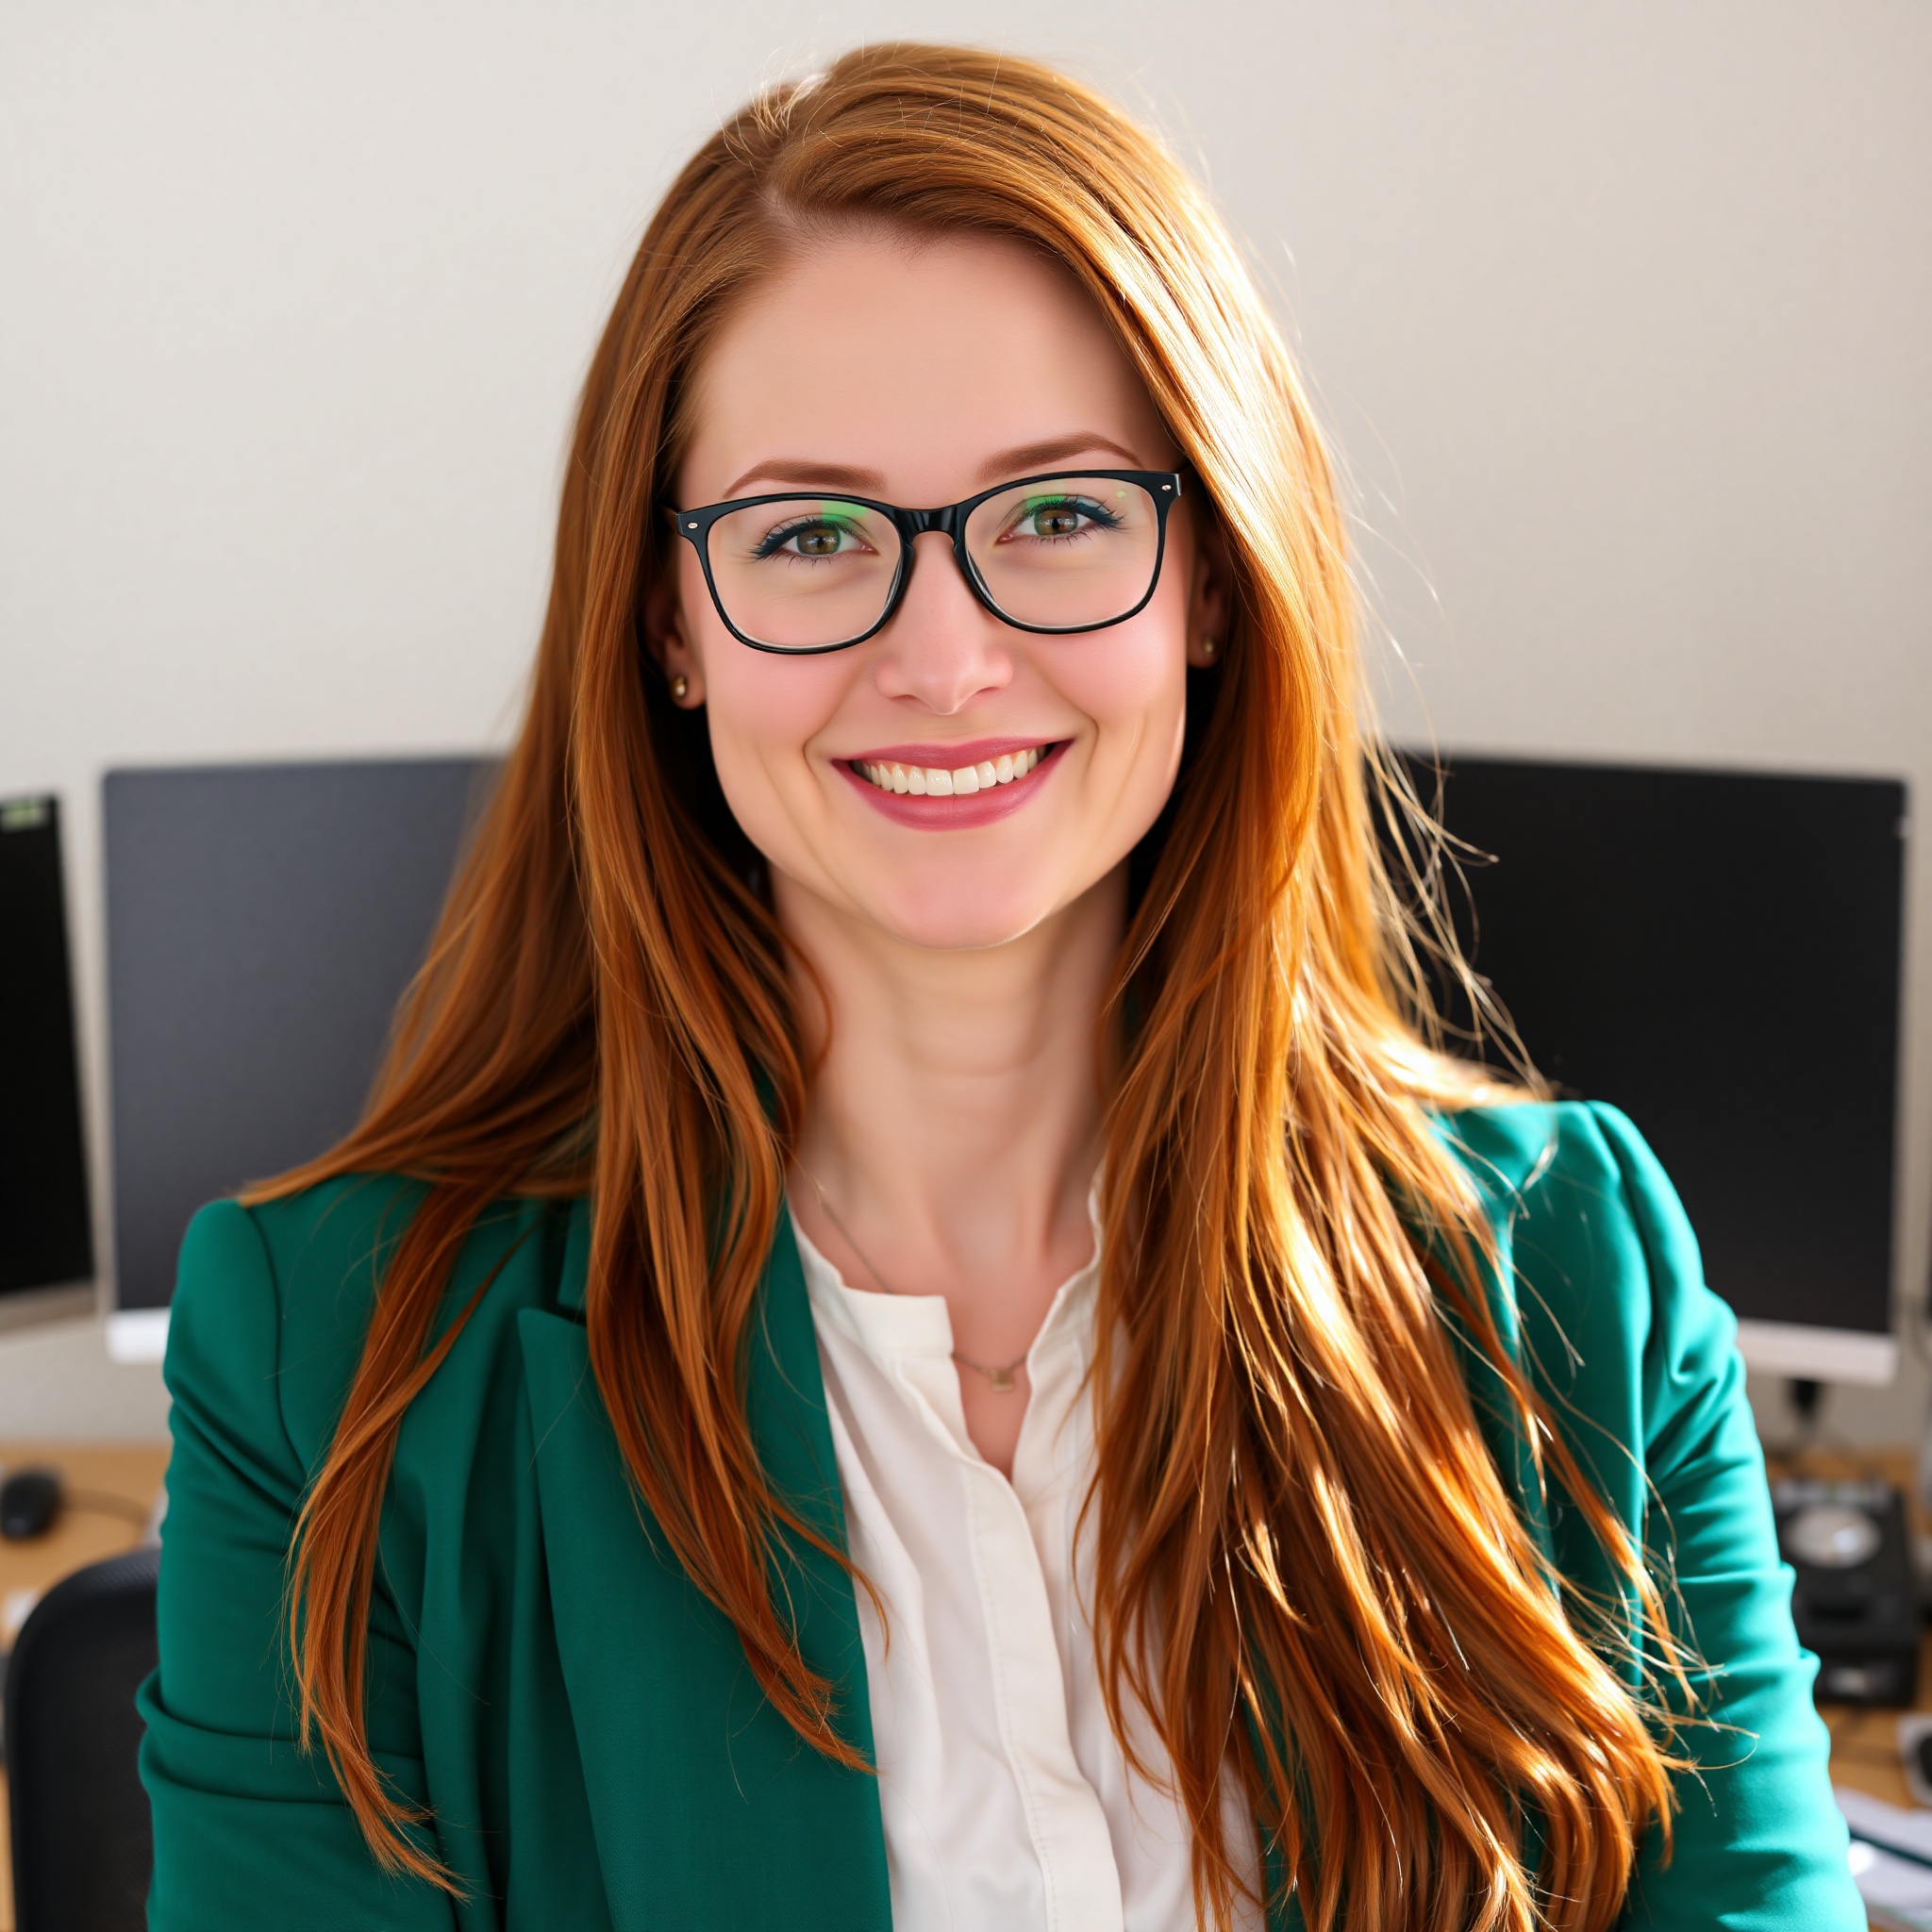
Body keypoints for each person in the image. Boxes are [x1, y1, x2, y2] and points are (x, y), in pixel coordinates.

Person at [138, 42, 1861, 1932]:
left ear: (1206, 574)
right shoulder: (333, 1361)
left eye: (1057, 513)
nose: (945, 658)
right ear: (668, 623)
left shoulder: (1569, 1277)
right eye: (807, 535)